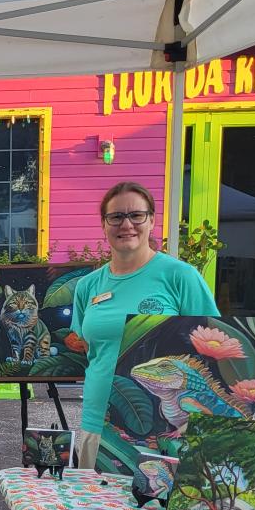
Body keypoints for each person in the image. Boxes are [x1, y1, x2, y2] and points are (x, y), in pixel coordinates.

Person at [71, 182, 218, 470]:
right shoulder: (88, 286)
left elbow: (210, 346)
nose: (126, 224)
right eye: (116, 217)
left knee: (155, 509)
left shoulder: (180, 277)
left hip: (163, 426)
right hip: (97, 421)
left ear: (151, 220)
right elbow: (90, 350)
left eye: (136, 215)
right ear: (104, 224)